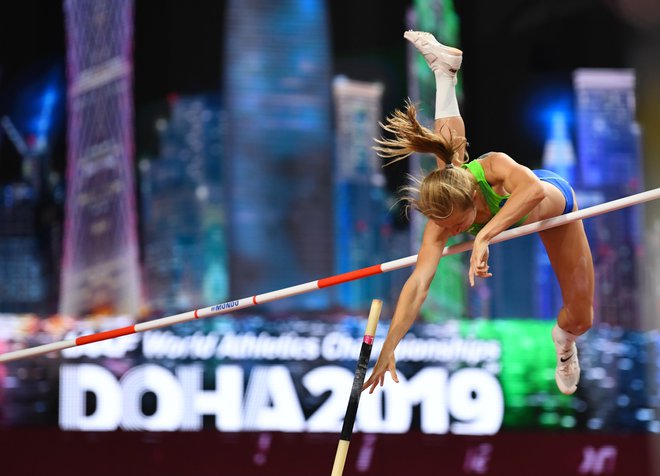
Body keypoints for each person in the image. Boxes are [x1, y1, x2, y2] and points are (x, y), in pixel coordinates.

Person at [362, 31, 594, 396]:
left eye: (457, 224)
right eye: (446, 226)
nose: (451, 231)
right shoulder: (444, 213)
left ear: (473, 196)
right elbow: (418, 286)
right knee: (448, 159)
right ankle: (445, 73)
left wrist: (484, 234)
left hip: (556, 205)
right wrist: (388, 347)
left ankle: (564, 345)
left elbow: (532, 191)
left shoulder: (492, 168)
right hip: (472, 187)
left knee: (581, 318)